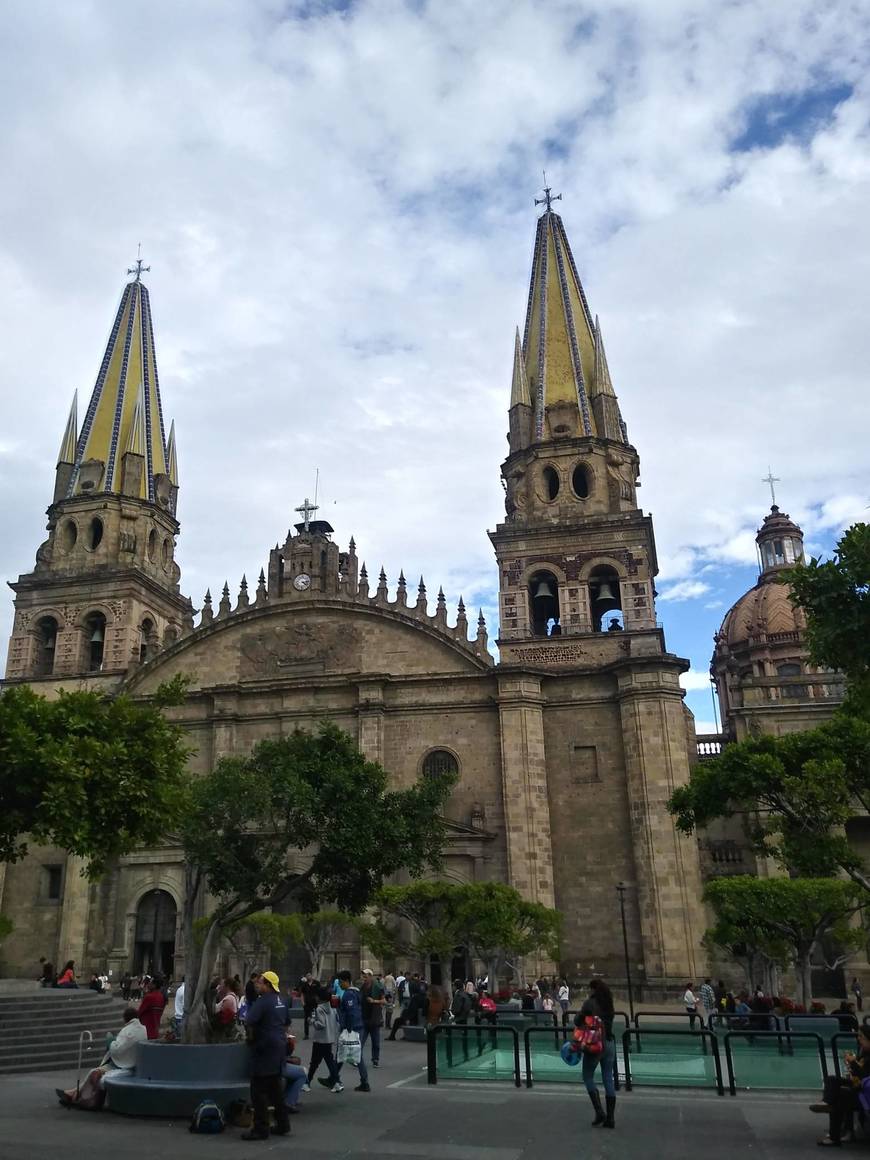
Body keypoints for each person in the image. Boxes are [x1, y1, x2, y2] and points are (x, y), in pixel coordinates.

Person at [56, 1007, 147, 1109]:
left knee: (94, 1073)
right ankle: (73, 1093)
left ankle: (82, 1098)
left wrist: (110, 1041)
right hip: (131, 1062)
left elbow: (118, 1049)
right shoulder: (143, 1029)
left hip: (124, 1065)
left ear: (125, 1018)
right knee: (95, 1072)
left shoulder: (127, 1030)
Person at [244, 970, 291, 1140]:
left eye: (261, 983)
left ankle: (261, 1128)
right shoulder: (282, 1001)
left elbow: (249, 1021)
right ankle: (283, 1123)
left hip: (264, 1050)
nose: (258, 985)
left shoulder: (262, 1002)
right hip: (279, 1048)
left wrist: (251, 1040)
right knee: (276, 1090)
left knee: (258, 1091)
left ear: (268, 985)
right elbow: (286, 1024)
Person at [811, 1027, 870, 1145]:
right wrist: (852, 1066)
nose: (858, 1039)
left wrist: (853, 1063)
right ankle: (827, 1102)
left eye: (861, 1037)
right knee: (832, 1080)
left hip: (866, 1095)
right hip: (862, 1089)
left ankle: (835, 1136)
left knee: (841, 1096)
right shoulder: (864, 1053)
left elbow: (864, 1077)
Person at [575, 978, 617, 1129]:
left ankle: (599, 1112)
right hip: (609, 1043)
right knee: (608, 1078)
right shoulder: (609, 1004)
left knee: (587, 1076)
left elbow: (577, 1021)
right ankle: (610, 1118)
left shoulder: (589, 1003)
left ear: (592, 989)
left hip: (594, 1044)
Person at [337, 970, 370, 1092]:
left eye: (341, 982)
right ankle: (334, 1076)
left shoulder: (348, 994)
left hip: (352, 1028)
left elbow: (351, 1013)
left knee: (344, 1052)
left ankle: (334, 1077)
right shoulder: (356, 992)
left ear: (346, 981)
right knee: (350, 1053)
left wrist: (348, 1029)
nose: (340, 985)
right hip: (357, 1026)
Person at [308, 985, 343, 1092]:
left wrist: (312, 1021)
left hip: (320, 1039)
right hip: (329, 1037)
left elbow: (321, 1024)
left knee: (315, 1062)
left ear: (319, 997)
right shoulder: (332, 1007)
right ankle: (336, 1082)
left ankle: (307, 1082)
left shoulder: (319, 1009)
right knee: (329, 1061)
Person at [360, 968, 385, 1068]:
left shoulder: (378, 986)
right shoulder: (362, 987)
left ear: (370, 976)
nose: (364, 978)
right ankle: (357, 1059)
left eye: (365, 976)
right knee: (360, 1041)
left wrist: (374, 1001)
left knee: (376, 1042)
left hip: (374, 1018)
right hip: (364, 1018)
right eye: (363, 976)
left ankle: (375, 1059)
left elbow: (384, 1001)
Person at [138, 976, 167, 1040]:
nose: (148, 984)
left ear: (154, 985)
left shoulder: (149, 997)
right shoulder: (161, 996)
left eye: (150, 983)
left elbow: (140, 1012)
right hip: (155, 1029)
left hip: (146, 1029)